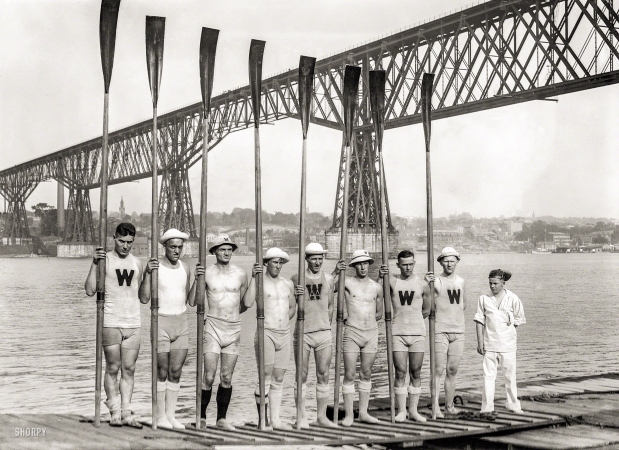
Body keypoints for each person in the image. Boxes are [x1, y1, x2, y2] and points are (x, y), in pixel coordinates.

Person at [84, 222, 145, 428]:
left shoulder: (138, 262)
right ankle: (114, 411)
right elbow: (90, 290)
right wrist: (94, 263)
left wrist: (151, 275)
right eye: (121, 241)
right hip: (111, 321)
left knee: (129, 369)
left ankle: (127, 412)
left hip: (133, 322)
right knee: (113, 367)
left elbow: (144, 297)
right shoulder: (105, 260)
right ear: (113, 238)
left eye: (129, 242)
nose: (125, 246)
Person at [190, 234, 250, 430]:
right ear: (214, 251)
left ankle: (222, 419)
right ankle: (201, 417)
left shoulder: (241, 274)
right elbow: (192, 301)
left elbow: (245, 304)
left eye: (229, 249)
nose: (226, 252)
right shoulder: (206, 272)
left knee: (226, 377)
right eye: (222, 249)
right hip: (213, 327)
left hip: (233, 328)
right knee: (208, 375)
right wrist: (196, 279)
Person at [140, 228, 192, 429]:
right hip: (160, 321)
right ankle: (159, 416)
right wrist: (147, 273)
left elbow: (187, 299)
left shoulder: (185, 268)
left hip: (181, 321)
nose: (177, 251)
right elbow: (144, 298)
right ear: (164, 247)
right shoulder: (155, 267)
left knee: (176, 371)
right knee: (161, 371)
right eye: (173, 247)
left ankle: (171, 416)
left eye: (180, 247)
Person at [291, 243, 345, 428]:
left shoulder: (329, 278)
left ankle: (321, 417)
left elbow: (330, 304)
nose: (317, 261)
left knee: (323, 374)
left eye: (320, 258)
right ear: (306, 259)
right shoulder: (296, 278)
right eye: (313, 258)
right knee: (302, 374)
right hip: (303, 333)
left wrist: (327, 324)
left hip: (323, 333)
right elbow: (290, 304)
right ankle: (301, 416)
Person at [246, 247, 301, 430]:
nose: (278, 266)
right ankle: (263, 420)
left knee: (279, 377)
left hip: (284, 333)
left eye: (280, 263)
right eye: (274, 262)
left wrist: (284, 320)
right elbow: (247, 303)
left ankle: (275, 419)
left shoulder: (288, 284)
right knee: (265, 377)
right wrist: (254, 278)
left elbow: (293, 307)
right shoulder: (260, 282)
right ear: (266, 263)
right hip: (266, 332)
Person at [378, 249, 431, 422]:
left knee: (416, 372)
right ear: (398, 265)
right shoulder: (392, 281)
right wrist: (380, 275)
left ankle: (414, 411)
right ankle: (402, 411)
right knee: (400, 372)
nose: (408, 268)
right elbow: (378, 293)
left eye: (410, 264)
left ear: (414, 264)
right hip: (398, 333)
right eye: (404, 265)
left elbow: (427, 310)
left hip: (417, 333)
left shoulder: (422, 284)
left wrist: (413, 320)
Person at [340, 249, 383, 427]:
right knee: (350, 374)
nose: (363, 266)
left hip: (371, 332)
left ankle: (363, 413)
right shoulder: (346, 282)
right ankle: (349, 415)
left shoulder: (377, 286)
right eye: (359, 263)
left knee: (366, 373)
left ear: (369, 265)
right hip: (352, 332)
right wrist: (337, 271)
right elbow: (327, 288)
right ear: (354, 266)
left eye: (365, 263)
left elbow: (379, 313)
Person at [474, 269, 526, 414]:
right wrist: (480, 343)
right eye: (490, 283)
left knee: (510, 377)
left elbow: (519, 318)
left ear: (503, 283)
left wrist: (507, 331)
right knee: (488, 378)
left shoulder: (513, 298)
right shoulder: (483, 299)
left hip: (508, 345)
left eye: (495, 283)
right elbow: (479, 321)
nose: (492, 286)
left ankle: (513, 405)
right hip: (489, 345)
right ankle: (487, 408)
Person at [426, 246, 467, 418]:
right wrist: (426, 283)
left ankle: (449, 406)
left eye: (452, 261)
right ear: (441, 262)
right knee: (438, 369)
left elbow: (463, 304)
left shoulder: (461, 281)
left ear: (457, 262)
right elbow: (427, 299)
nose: (449, 264)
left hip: (458, 330)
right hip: (440, 330)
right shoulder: (436, 281)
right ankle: (435, 406)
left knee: (452, 369)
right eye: (446, 261)